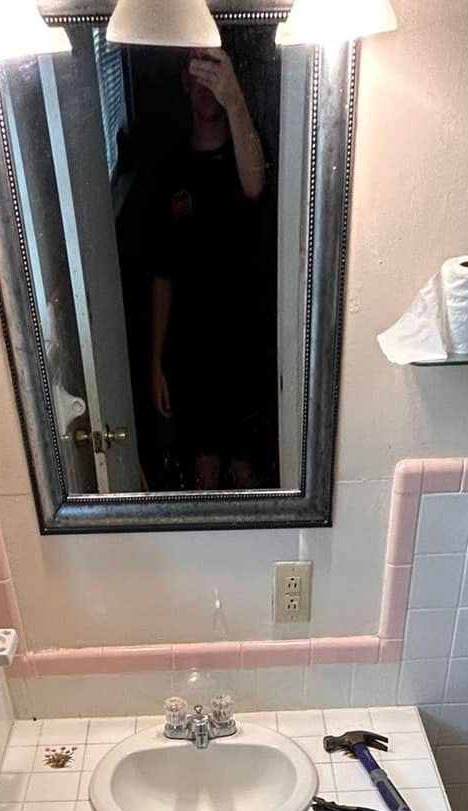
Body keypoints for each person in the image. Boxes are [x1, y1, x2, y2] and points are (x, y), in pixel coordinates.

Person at [149, 47, 273, 491]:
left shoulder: (251, 152)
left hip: (247, 345)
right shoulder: (170, 169)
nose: (206, 86)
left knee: (243, 472)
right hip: (190, 350)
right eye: (195, 71)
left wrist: (235, 101)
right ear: (184, 80)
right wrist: (155, 363)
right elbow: (161, 273)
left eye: (214, 70)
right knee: (204, 474)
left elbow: (255, 185)